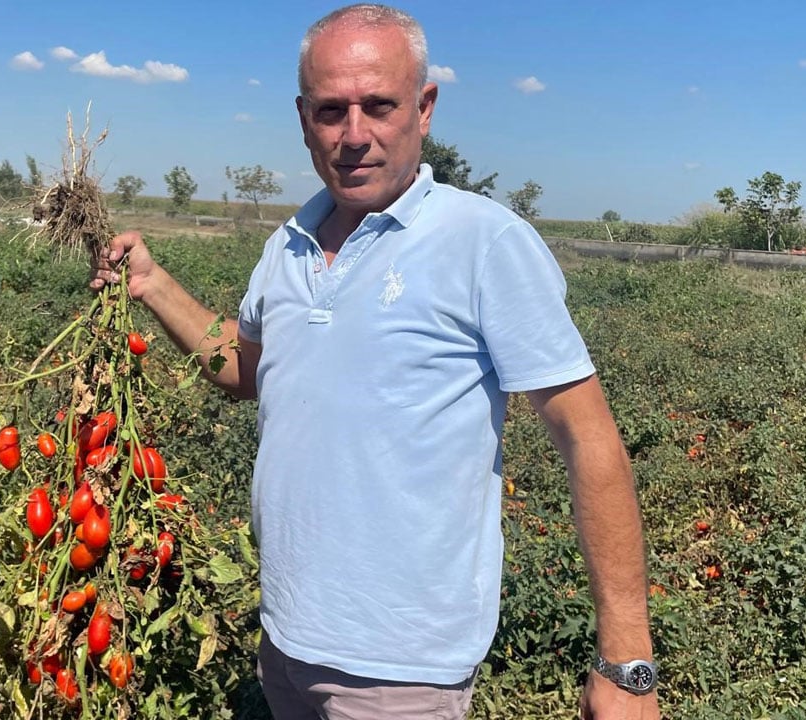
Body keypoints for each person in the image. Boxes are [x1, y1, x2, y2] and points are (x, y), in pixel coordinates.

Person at [92, 4, 659, 719]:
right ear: (303, 119)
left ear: (423, 109)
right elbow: (244, 366)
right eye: (331, 111)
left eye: (378, 105)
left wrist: (627, 662)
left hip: (404, 670)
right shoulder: (288, 244)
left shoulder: (484, 242)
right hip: (286, 642)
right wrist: (150, 283)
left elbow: (590, 438)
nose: (353, 135)